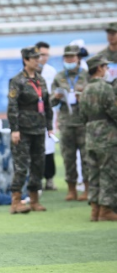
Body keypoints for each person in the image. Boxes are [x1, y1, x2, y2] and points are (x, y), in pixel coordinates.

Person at [7, 46, 53, 214]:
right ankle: (16, 201)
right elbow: (12, 106)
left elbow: (47, 104)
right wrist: (15, 129)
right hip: (23, 129)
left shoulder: (41, 80)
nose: (37, 61)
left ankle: (34, 200)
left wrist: (50, 126)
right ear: (25, 60)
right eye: (34, 58)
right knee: (21, 166)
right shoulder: (17, 80)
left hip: (39, 128)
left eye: (38, 57)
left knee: (38, 164)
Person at [79, 55, 117, 221]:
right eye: (105, 67)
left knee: (93, 174)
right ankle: (106, 209)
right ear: (99, 68)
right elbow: (113, 111)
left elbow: (82, 116)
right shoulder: (106, 88)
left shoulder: (85, 89)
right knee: (108, 173)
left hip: (90, 136)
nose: (107, 70)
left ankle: (94, 210)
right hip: (107, 136)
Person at [50, 45, 89, 201]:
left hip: (83, 122)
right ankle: (71, 190)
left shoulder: (86, 75)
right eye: (66, 57)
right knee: (68, 157)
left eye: (72, 57)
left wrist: (83, 97)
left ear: (78, 58)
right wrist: (56, 97)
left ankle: (87, 189)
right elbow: (50, 102)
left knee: (86, 157)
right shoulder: (59, 77)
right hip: (66, 123)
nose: (69, 60)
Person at [35, 41, 58, 192]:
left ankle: (49, 179)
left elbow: (55, 92)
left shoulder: (51, 72)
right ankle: (36, 180)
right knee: (35, 148)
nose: (44, 58)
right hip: (32, 116)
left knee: (49, 146)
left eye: (47, 55)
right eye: (42, 54)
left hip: (48, 114)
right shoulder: (27, 73)